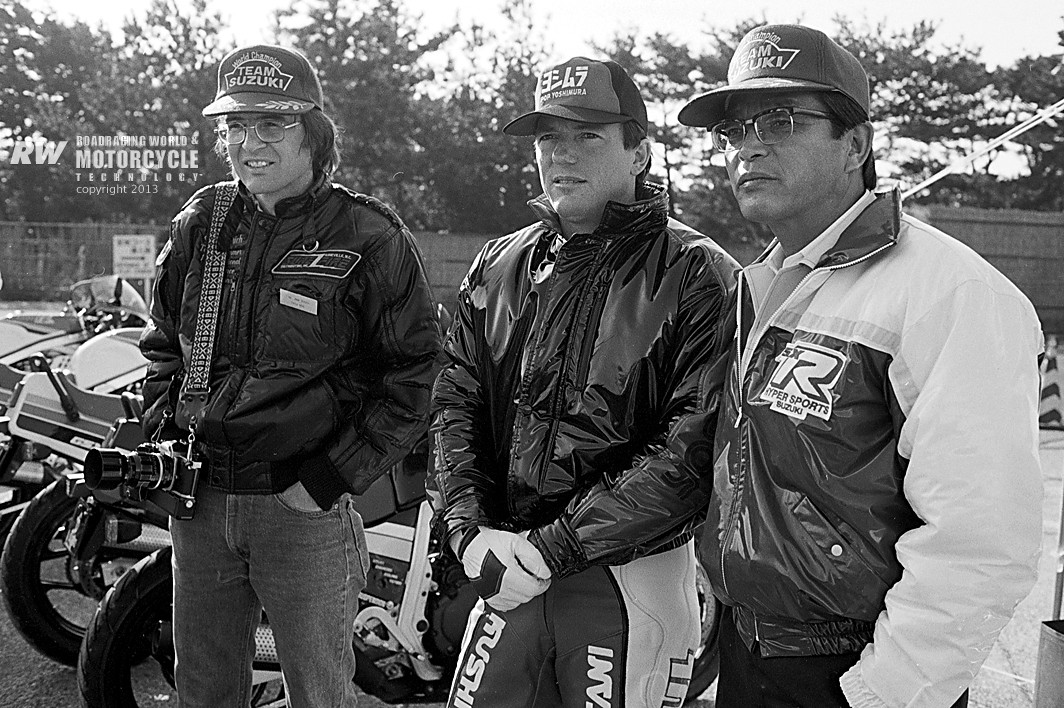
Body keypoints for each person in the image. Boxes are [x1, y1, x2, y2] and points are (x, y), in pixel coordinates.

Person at [677, 23, 1044, 708]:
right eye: (734, 129)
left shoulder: (948, 293)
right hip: (745, 655)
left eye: (781, 119)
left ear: (856, 145)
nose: (750, 144)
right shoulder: (759, 285)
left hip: (855, 674)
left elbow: (984, 539)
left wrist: (883, 693)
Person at [428, 56, 738, 707]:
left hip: (628, 584)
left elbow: (692, 451)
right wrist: (466, 529)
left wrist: (553, 548)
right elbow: (455, 404)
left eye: (587, 136)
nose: (561, 154)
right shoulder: (498, 263)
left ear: (641, 151)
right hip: (504, 571)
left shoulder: (700, 273)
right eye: (548, 138)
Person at [139, 44, 440, 707]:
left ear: (314, 133)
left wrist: (328, 480)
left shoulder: (369, 237)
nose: (250, 143)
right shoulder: (202, 222)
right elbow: (162, 339)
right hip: (200, 504)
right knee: (203, 691)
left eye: (271, 125)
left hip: (302, 510)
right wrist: (167, 427)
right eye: (236, 127)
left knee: (319, 693)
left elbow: (415, 374)